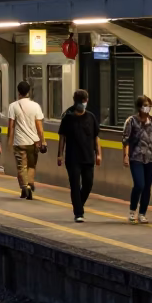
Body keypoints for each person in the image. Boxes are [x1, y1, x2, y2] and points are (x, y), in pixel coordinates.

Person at [58, 89, 102, 222]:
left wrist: (98, 154)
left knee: (88, 184)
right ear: (76, 102)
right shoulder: (68, 117)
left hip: (88, 157)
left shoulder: (91, 117)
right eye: (81, 102)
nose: (83, 104)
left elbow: (96, 137)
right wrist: (60, 155)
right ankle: (78, 213)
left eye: (84, 101)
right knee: (75, 185)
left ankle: (78, 204)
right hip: (72, 158)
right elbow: (62, 138)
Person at [122, 95, 152, 223]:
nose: (148, 108)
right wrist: (125, 155)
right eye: (145, 105)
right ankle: (132, 210)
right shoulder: (132, 121)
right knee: (139, 184)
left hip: (150, 158)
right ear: (139, 107)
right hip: (136, 157)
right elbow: (126, 140)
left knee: (147, 187)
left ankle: (142, 213)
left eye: (149, 105)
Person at [8, 80, 46, 200]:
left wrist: (9, 140)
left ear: (18, 92)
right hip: (34, 142)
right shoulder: (36, 106)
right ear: (29, 91)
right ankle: (29, 184)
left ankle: (25, 187)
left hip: (19, 142)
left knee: (21, 166)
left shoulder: (13, 106)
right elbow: (39, 126)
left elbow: (11, 126)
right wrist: (43, 140)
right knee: (31, 166)